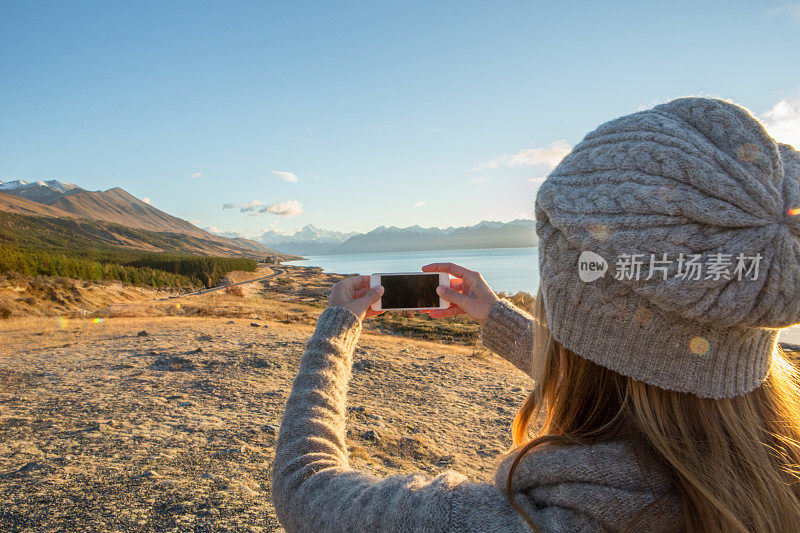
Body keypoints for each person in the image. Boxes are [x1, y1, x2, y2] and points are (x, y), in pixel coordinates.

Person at [271, 97, 800, 532]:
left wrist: (335, 329)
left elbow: (304, 486)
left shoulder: (532, 522)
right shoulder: (780, 469)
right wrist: (495, 316)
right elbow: (637, 367)